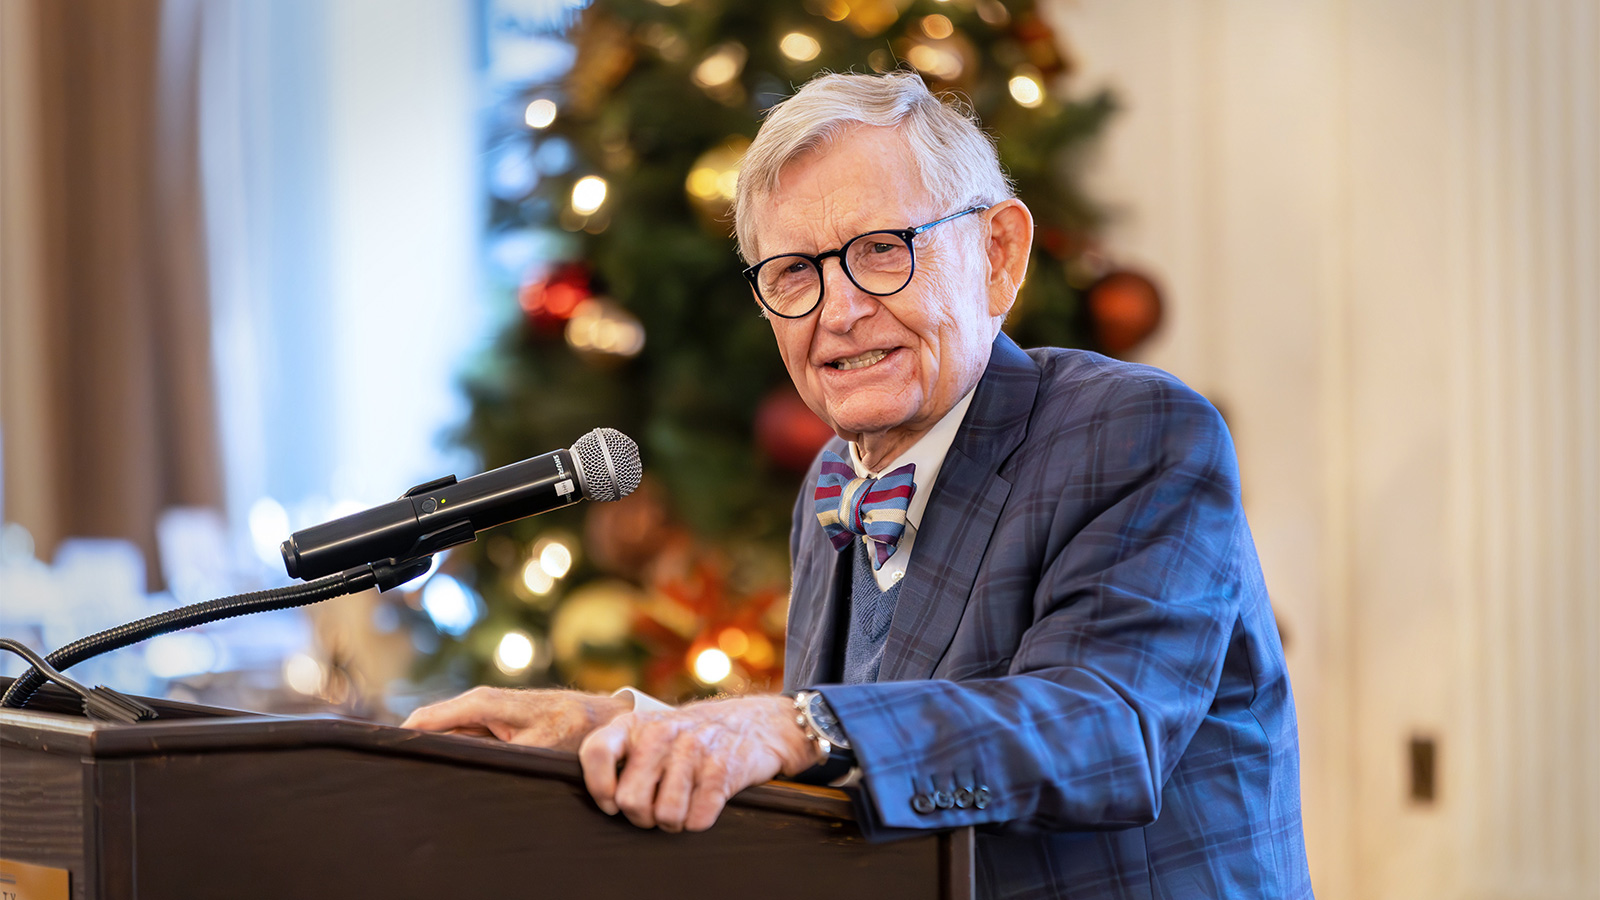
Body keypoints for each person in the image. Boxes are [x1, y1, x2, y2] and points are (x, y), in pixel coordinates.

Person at [404, 71, 1312, 898]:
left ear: (998, 253)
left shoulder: (1135, 430)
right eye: (794, 271)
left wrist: (795, 728)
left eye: (882, 250)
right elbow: (856, 764)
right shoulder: (834, 478)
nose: (837, 311)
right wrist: (625, 725)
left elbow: (1103, 728)